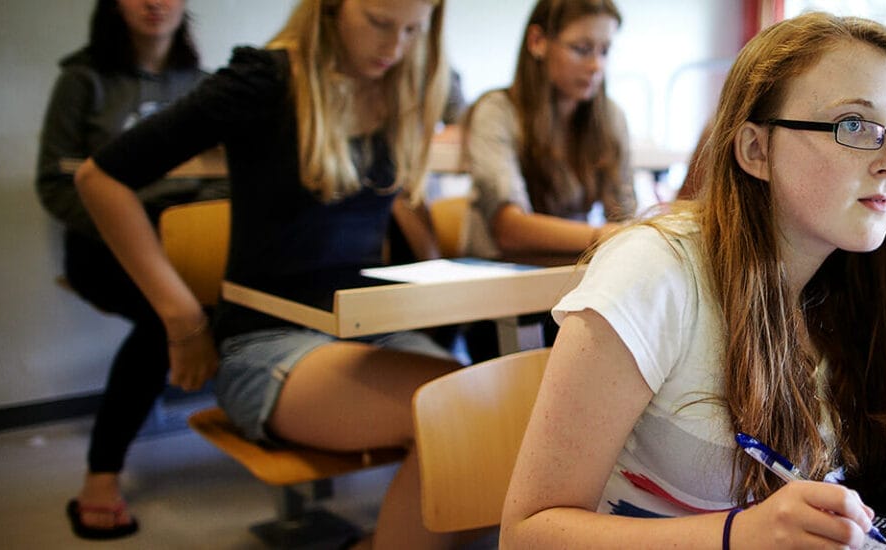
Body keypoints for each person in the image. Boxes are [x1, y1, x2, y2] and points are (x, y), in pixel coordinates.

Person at [501, 13, 886, 548]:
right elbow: (526, 532)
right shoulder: (657, 271)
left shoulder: (855, 277)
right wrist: (737, 534)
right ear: (755, 151)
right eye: (854, 125)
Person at [74, 0, 457, 548]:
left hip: (365, 329)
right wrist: (182, 317)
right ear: (330, 9)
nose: (394, 47)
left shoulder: (403, 85)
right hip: (268, 343)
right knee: (462, 412)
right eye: (378, 23)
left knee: (501, 412)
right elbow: (100, 179)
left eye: (413, 30)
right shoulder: (265, 79)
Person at [36, 0, 224, 540]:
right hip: (106, 247)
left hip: (190, 242)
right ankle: (101, 475)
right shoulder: (82, 80)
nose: (154, 2)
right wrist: (137, 237)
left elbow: (228, 175)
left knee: (252, 293)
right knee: (163, 317)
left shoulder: (208, 84)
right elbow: (55, 184)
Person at [462, 0, 634, 259]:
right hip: (499, 276)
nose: (596, 66)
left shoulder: (611, 117)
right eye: (582, 49)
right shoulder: (496, 111)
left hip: (568, 273)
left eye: (605, 51)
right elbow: (509, 228)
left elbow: (625, 216)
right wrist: (603, 235)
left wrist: (624, 232)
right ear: (537, 41)